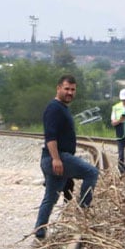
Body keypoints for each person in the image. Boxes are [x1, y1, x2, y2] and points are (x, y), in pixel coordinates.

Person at [33, 75, 99, 240]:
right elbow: (50, 137)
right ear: (58, 88)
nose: (70, 92)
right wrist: (56, 159)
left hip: (55, 158)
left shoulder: (62, 108)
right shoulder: (54, 108)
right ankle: (82, 214)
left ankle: (39, 231)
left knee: (50, 198)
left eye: (73, 89)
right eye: (66, 89)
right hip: (57, 157)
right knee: (91, 172)